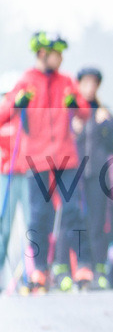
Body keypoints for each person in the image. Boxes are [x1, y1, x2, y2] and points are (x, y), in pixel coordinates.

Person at [0, 31, 95, 291]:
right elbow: (3, 115)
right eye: (57, 54)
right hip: (36, 158)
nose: (61, 58)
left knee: (73, 209)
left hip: (66, 157)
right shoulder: (26, 81)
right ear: (43, 54)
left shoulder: (66, 81)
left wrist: (75, 102)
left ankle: (84, 264)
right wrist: (17, 103)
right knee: (39, 214)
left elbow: (86, 112)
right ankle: (39, 269)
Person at [72, 67, 113, 289]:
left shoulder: (104, 112)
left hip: (98, 175)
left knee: (98, 222)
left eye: (94, 83)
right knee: (72, 221)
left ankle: (99, 269)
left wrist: (104, 125)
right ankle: (75, 268)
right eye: (86, 83)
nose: (90, 88)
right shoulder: (72, 110)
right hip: (74, 173)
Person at [0, 94, 31, 283]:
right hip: (7, 175)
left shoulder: (28, 118)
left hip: (27, 175)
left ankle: (30, 274)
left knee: (30, 224)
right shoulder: (5, 118)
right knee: (4, 226)